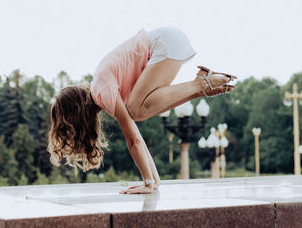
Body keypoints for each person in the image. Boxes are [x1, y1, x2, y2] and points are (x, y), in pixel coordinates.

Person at [47, 26, 236, 194]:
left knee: (135, 112)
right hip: (169, 41)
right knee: (138, 110)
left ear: (77, 115)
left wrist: (146, 182)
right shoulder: (104, 92)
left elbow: (133, 140)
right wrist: (154, 180)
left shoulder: (101, 92)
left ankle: (201, 83)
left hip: (165, 43)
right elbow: (138, 138)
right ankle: (201, 88)